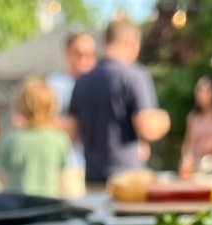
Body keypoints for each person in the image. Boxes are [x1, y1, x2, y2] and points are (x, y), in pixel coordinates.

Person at [67, 18, 170, 185]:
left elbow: (72, 131)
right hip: (127, 179)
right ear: (130, 42)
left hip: (92, 177)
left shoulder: (82, 80)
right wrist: (163, 120)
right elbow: (146, 127)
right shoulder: (134, 76)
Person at [0, 76, 71, 199]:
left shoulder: (11, 139)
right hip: (48, 203)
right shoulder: (60, 139)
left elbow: (2, 177)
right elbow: (64, 179)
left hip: (18, 205)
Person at [47, 30, 96, 197]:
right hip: (69, 164)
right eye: (78, 54)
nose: (84, 60)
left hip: (97, 164)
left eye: (89, 54)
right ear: (68, 53)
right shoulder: (54, 85)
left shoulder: (99, 83)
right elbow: (43, 122)